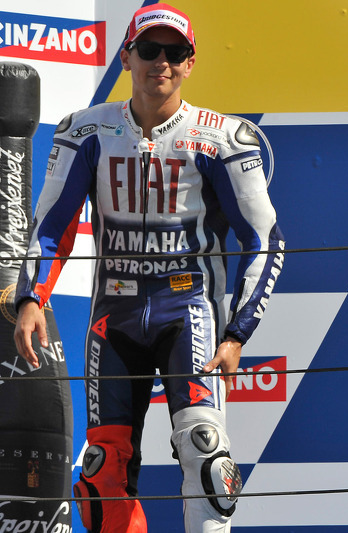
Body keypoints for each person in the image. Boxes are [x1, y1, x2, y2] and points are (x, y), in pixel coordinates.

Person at [13, 4, 284, 532]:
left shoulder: (222, 138)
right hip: (111, 319)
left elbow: (265, 240)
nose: (161, 62)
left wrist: (237, 334)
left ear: (190, 62)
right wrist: (30, 298)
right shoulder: (86, 132)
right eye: (149, 50)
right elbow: (52, 227)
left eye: (174, 52)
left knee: (206, 453)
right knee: (101, 474)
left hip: (189, 311)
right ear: (126, 56)